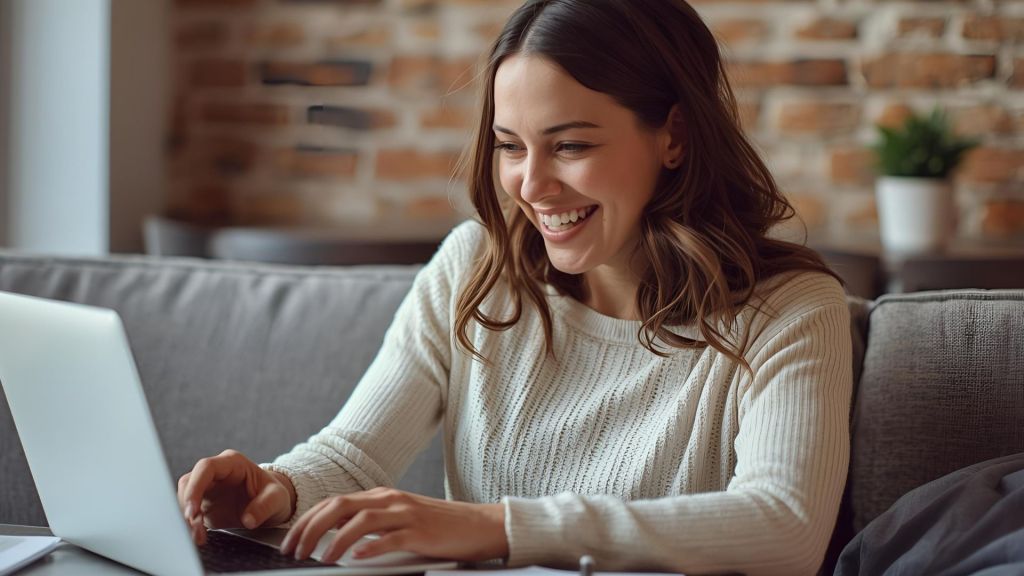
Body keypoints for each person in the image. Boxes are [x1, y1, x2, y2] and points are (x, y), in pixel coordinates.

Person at [177, 1, 853, 574]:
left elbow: (785, 525)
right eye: (509, 146)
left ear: (673, 136)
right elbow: (355, 455)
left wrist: (499, 527)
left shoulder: (789, 310)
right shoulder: (477, 265)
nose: (531, 186)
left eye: (570, 146)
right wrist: (277, 489)